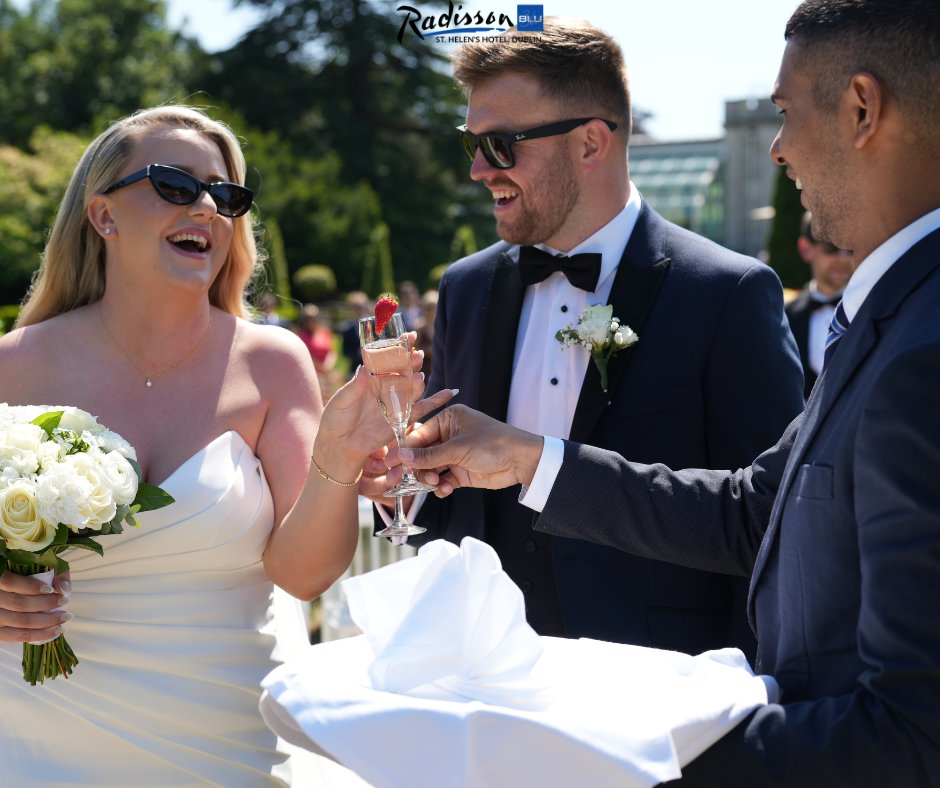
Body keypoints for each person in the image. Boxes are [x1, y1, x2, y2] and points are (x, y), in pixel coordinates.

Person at [399, 0, 940, 781]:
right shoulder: (896, 312)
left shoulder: (921, 349)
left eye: (784, 112)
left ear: (862, 108)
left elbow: (915, 734)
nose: (779, 149)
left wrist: (637, 747)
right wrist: (528, 460)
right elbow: (753, 511)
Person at [0, 105, 451, 785]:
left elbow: (302, 575)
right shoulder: (14, 366)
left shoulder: (271, 364)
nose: (207, 205)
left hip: (227, 742)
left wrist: (338, 457)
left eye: (225, 194)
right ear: (103, 217)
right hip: (34, 736)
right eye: (175, 185)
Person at [408, 17, 804, 657]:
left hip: (663, 689)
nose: (480, 170)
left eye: (503, 145)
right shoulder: (465, 287)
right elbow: (452, 508)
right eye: (471, 143)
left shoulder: (727, 294)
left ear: (591, 143)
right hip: (486, 676)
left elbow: (772, 524)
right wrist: (399, 481)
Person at [785, 211, 854, 398]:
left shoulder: (872, 311)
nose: (843, 258)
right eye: (831, 247)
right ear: (806, 249)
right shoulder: (785, 317)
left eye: (850, 248)